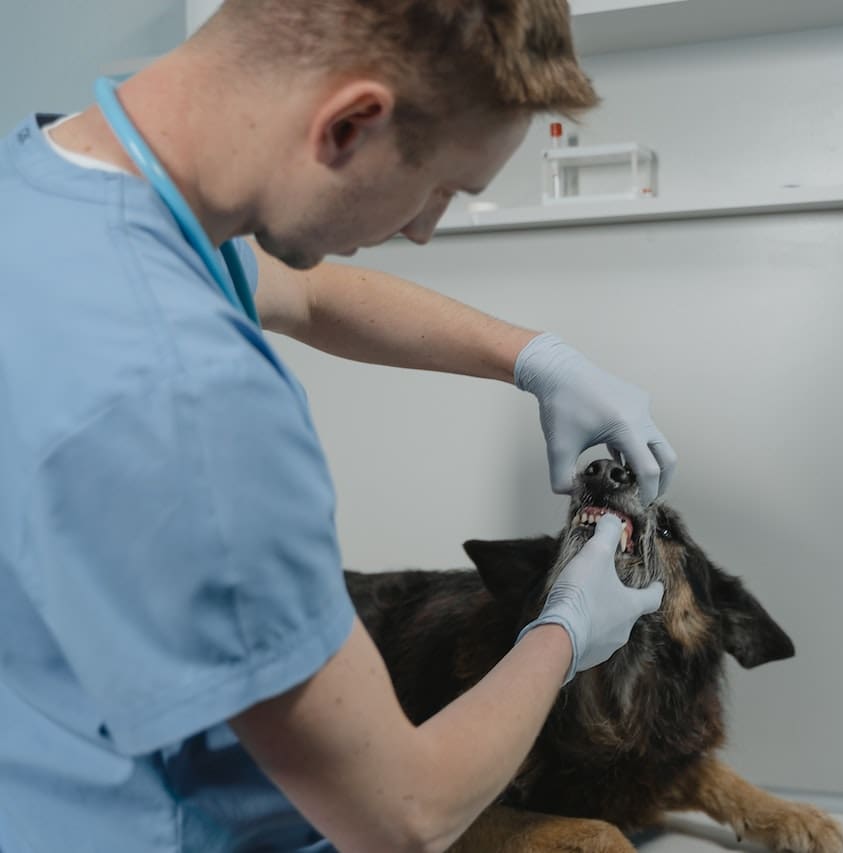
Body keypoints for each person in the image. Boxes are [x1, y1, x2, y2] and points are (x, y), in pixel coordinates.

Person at [0, 0, 677, 850]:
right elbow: (405, 815)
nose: (426, 229)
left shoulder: (49, 187)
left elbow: (304, 292)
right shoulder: (195, 401)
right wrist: (565, 624)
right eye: (441, 188)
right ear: (351, 123)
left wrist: (534, 357)